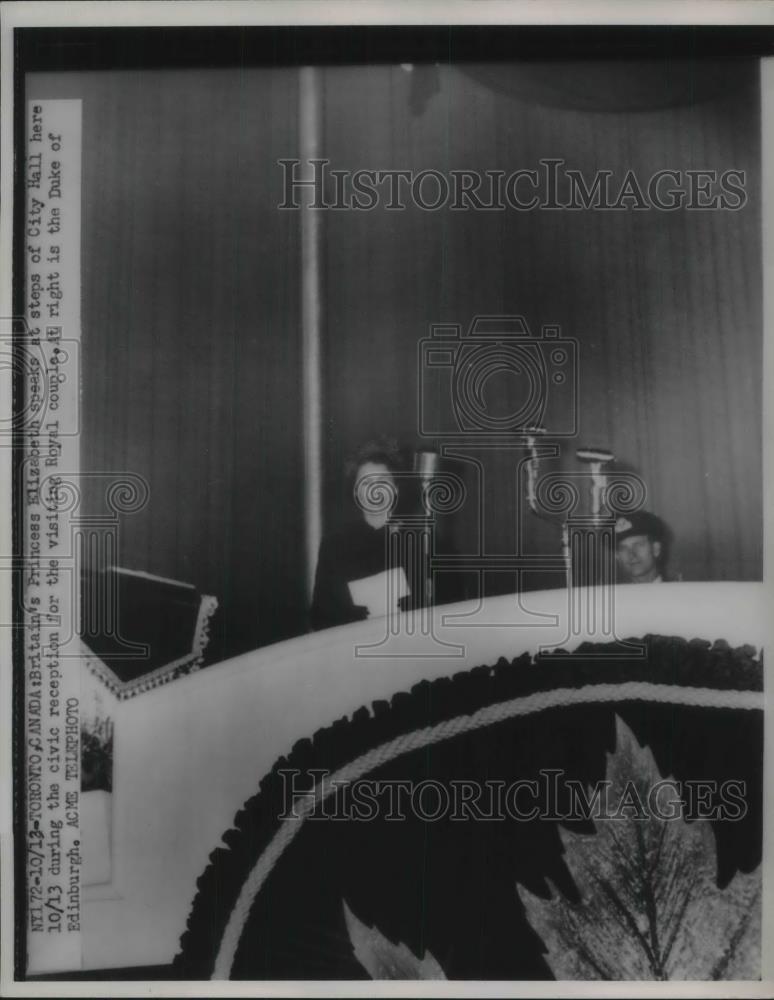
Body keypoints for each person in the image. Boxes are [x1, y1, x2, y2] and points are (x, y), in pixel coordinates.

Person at [310, 438, 413, 630]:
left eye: (383, 481)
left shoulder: (420, 542)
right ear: (356, 492)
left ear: (396, 489)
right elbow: (320, 617)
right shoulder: (335, 545)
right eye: (366, 483)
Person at [614, 510, 672, 584]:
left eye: (638, 545)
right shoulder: (616, 595)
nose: (632, 555)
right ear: (617, 557)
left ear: (655, 549)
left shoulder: (680, 593)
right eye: (623, 548)